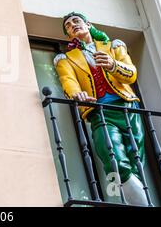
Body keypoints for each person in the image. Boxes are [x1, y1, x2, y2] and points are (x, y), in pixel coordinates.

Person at [54, 12, 148, 206]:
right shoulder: (66, 59)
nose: (73, 26)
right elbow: (68, 81)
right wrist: (77, 95)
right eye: (68, 26)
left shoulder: (113, 46)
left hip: (128, 107)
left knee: (136, 161)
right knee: (113, 159)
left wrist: (114, 65)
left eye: (76, 22)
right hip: (100, 112)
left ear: (88, 24)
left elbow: (131, 75)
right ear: (68, 35)